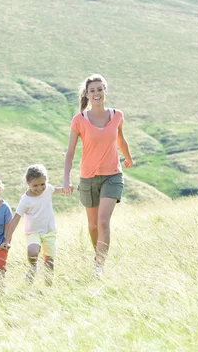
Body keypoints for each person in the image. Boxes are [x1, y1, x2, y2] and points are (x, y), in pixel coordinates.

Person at [62, 74, 134, 278]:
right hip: (88, 178)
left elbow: (120, 140)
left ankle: (99, 267)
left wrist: (128, 158)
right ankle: (99, 257)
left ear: (105, 92)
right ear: (87, 94)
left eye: (100, 89)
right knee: (93, 226)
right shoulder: (79, 120)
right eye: (92, 90)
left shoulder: (117, 115)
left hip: (112, 175)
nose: (97, 94)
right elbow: (70, 152)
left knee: (103, 222)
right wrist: (66, 179)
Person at [3, 164, 66, 286]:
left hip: (49, 231)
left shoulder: (48, 189)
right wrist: (7, 239)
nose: (40, 188)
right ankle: (33, 268)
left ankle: (48, 286)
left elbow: (57, 190)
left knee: (49, 262)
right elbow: (16, 218)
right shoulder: (26, 200)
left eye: (42, 184)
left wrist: (66, 189)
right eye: (35, 185)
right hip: (33, 232)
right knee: (32, 252)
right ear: (28, 183)